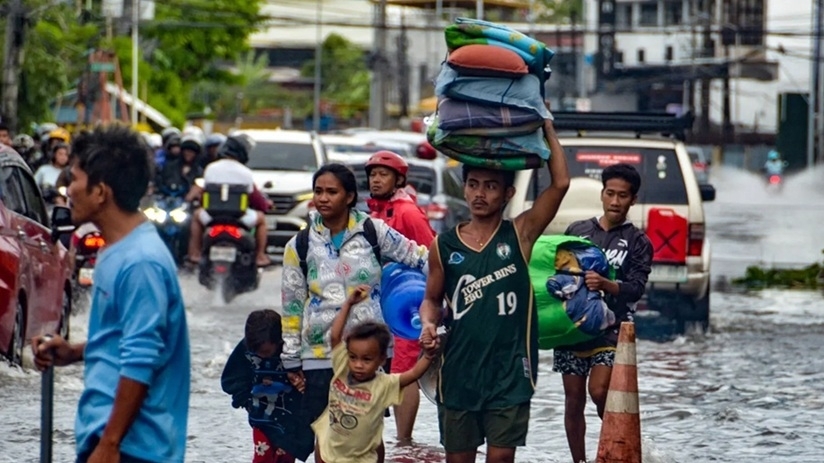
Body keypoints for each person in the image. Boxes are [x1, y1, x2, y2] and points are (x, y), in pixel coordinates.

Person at [31, 125, 190, 463]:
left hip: (134, 447)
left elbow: (142, 355)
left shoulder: (141, 262)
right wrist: (73, 352)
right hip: (109, 437)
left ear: (100, 192)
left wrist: (110, 444)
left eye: (73, 179)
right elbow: (125, 338)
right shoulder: (115, 251)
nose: (68, 189)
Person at [418, 117, 570, 463]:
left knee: (501, 458)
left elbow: (560, 183)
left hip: (510, 371)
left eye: (489, 186)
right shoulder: (443, 246)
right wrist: (428, 324)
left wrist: (546, 127)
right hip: (459, 371)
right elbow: (431, 300)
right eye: (473, 184)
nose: (479, 194)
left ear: (507, 193)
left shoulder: (521, 233)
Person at [280, 163, 429, 462]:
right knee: (326, 428)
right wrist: (290, 357)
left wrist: (433, 303)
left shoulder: (374, 232)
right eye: (319, 191)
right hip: (319, 353)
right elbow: (292, 306)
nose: (323, 198)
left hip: (369, 350)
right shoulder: (300, 244)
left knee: (369, 426)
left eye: (332, 192)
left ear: (349, 197)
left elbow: (420, 257)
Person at [554, 163, 653, 463]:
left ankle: (620, 444)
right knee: (573, 401)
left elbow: (637, 288)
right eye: (610, 193)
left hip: (613, 330)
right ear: (602, 194)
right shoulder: (578, 231)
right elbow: (559, 272)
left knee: (599, 391)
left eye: (622, 196)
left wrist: (608, 285)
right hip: (573, 328)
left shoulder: (638, 242)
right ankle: (580, 461)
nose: (615, 201)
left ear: (633, 200)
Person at [312, 285, 435, 463]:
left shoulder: (384, 384)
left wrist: (429, 355)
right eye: (353, 357)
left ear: (382, 360)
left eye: (367, 359)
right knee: (322, 436)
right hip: (330, 453)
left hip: (363, 458)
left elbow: (414, 373)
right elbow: (335, 338)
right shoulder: (342, 368)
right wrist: (348, 304)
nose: (358, 365)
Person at [364, 150, 435, 444]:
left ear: (398, 179)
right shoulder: (376, 211)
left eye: (383, 174)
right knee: (386, 366)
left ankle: (404, 441)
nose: (376, 179)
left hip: (409, 304)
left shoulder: (406, 211)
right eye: (372, 174)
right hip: (384, 303)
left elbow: (432, 253)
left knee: (404, 371)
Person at [222, 309, 314, 463]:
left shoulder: (292, 350)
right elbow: (231, 377)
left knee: (284, 458)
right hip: (261, 418)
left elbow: (311, 376)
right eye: (255, 351)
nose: (260, 355)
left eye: (265, 351)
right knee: (262, 457)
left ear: (278, 341)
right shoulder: (247, 348)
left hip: (290, 421)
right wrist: (245, 401)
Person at [186, 133, 271, 267]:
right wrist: (265, 206)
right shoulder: (246, 172)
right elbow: (255, 200)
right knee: (261, 220)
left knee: (196, 216)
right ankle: (260, 255)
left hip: (212, 217)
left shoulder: (211, 168)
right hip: (240, 218)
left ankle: (194, 253)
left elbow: (204, 195)